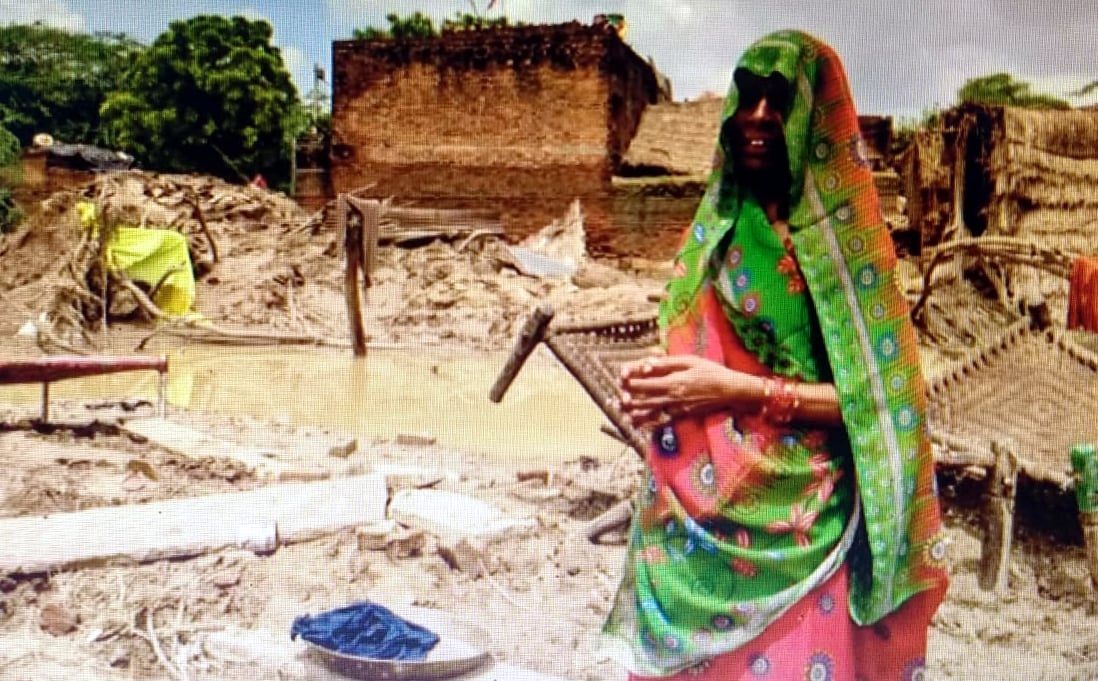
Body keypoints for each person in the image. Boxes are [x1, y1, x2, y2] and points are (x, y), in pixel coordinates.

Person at [601, 30, 949, 680]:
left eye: (779, 99)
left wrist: (733, 392)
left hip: (801, 524)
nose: (758, 116)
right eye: (748, 97)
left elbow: (887, 404)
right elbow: (692, 355)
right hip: (697, 517)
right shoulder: (714, 233)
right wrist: (654, 386)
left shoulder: (852, 255)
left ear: (817, 115)